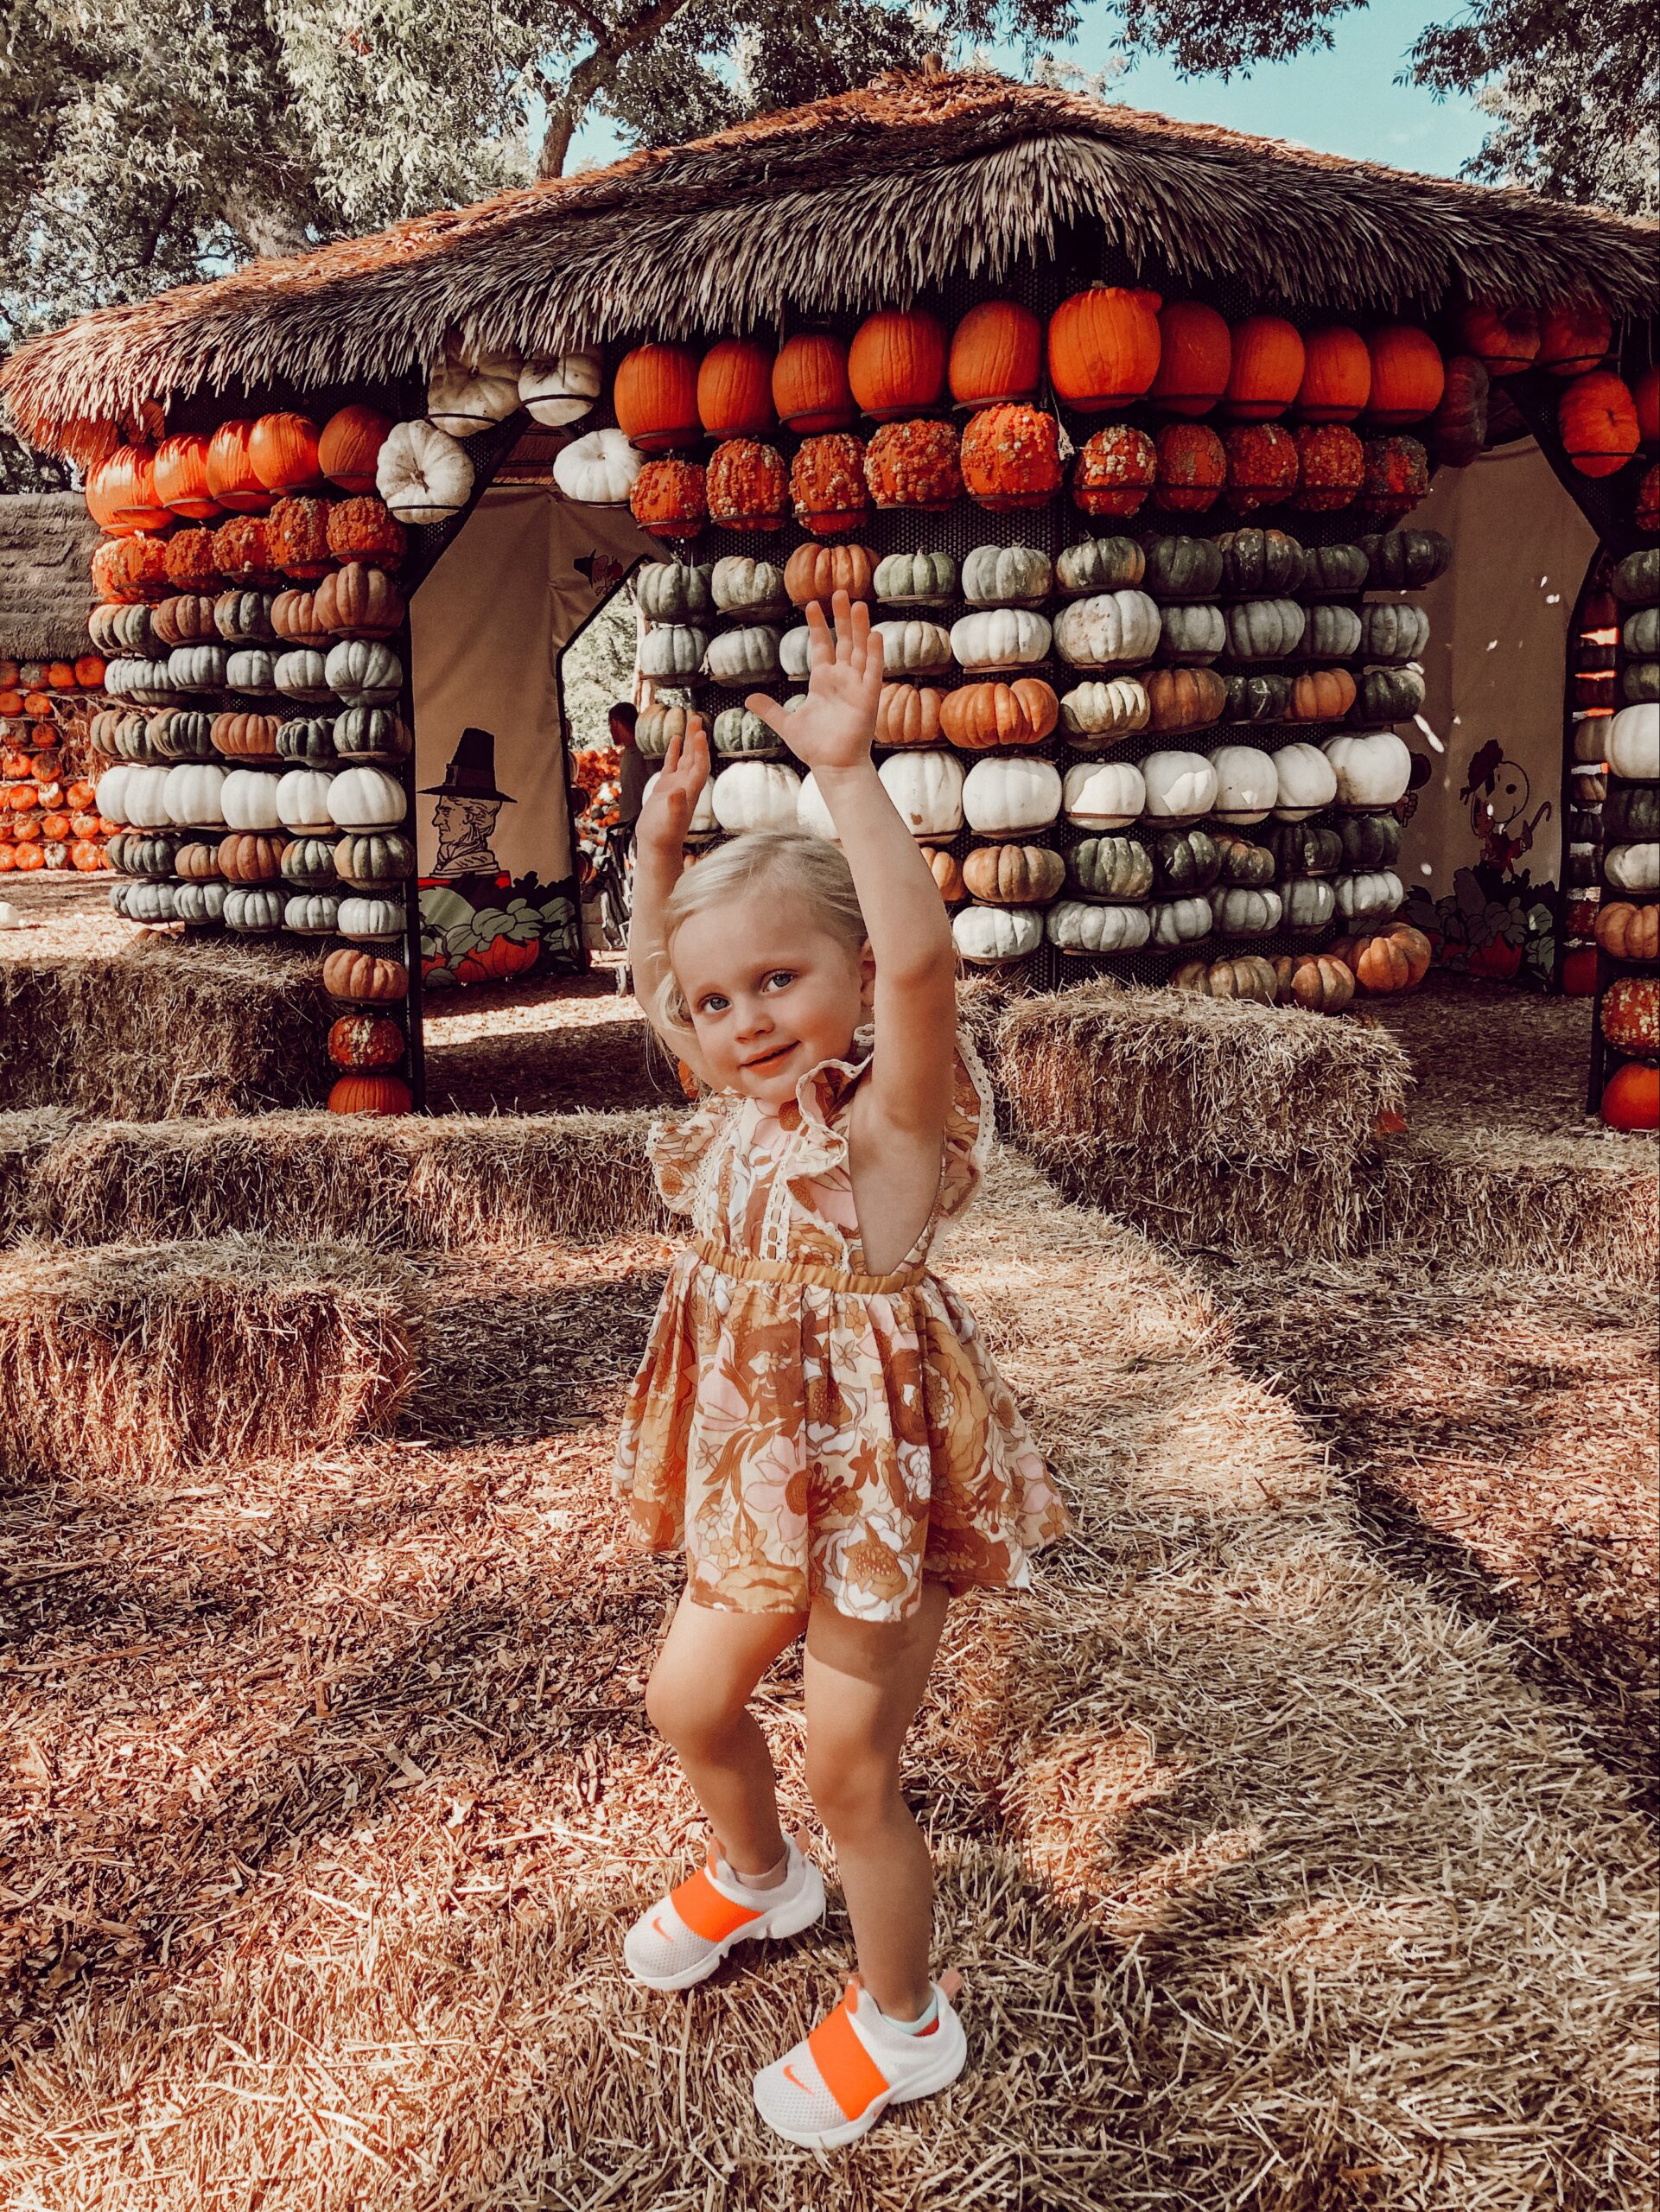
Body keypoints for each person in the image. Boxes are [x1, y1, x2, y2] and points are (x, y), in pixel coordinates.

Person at [614, 592, 1067, 2148]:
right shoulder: (735, 1096)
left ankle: (902, 2017)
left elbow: (929, 971)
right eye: (721, 999)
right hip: (755, 1481)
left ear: (850, 974)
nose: (742, 1021)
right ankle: (758, 1879)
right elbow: (656, 980)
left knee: (855, 1771)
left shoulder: (878, 1134)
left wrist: (849, 773)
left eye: (781, 985)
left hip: (867, 1489)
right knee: (687, 1704)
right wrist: (658, 846)